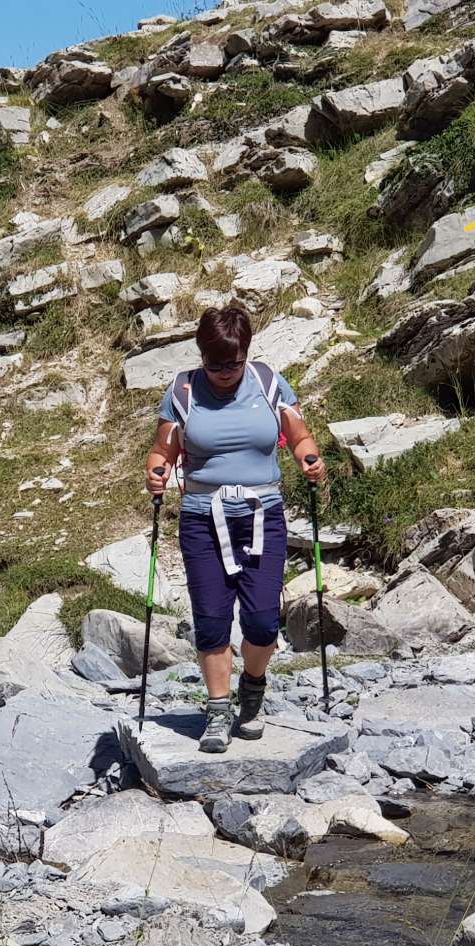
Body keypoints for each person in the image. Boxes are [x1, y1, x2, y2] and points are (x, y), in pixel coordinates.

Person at [145, 305, 325, 754]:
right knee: (211, 619)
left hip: (262, 515)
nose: (225, 372)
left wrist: (309, 458)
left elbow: (299, 435)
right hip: (202, 519)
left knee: (262, 621)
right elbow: (163, 449)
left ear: (246, 352)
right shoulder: (183, 391)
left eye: (234, 362)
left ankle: (254, 685)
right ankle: (218, 708)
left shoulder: (268, 383)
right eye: (215, 364)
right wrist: (157, 470)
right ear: (201, 355)